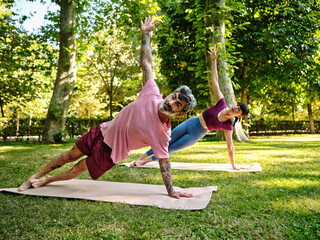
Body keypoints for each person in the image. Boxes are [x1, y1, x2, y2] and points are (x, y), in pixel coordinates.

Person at [18, 16, 197, 199]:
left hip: (113, 152)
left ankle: (45, 181)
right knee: (69, 155)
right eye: (173, 97)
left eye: (177, 105)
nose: (171, 103)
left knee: (78, 168)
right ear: (170, 94)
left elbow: (164, 161)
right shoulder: (152, 92)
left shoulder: (162, 133)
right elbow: (146, 63)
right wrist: (146, 35)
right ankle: (35, 177)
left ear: (180, 113)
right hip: (103, 131)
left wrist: (171, 189)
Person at [133, 45, 249, 170]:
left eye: (238, 110)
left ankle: (143, 162)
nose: (235, 108)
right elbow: (215, 81)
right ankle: (140, 158)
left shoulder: (228, 126)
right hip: (191, 122)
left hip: (196, 134)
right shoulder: (221, 103)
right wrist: (213, 61)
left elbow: (230, 146)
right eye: (237, 105)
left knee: (170, 148)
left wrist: (234, 165)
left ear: (239, 115)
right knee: (165, 140)